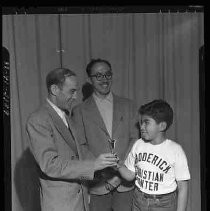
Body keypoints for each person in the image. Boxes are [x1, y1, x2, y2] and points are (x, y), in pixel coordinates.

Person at [26, 67, 119, 211]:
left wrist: (105, 169)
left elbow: (79, 151)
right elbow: (50, 164)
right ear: (55, 89)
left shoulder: (67, 118)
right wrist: (93, 165)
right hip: (60, 204)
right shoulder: (38, 119)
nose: (75, 96)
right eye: (72, 91)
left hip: (79, 202)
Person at [72, 58, 139, 211]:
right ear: (90, 79)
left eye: (108, 74)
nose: (104, 79)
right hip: (98, 185)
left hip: (125, 184)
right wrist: (103, 173)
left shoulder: (128, 106)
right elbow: (80, 146)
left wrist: (120, 172)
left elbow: (135, 139)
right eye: (99, 75)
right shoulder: (79, 111)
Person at [117, 99, 190, 211]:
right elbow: (130, 175)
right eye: (141, 122)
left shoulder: (175, 150)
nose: (141, 127)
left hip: (164, 204)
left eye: (146, 122)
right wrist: (117, 164)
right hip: (139, 199)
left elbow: (183, 187)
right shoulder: (138, 144)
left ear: (162, 126)